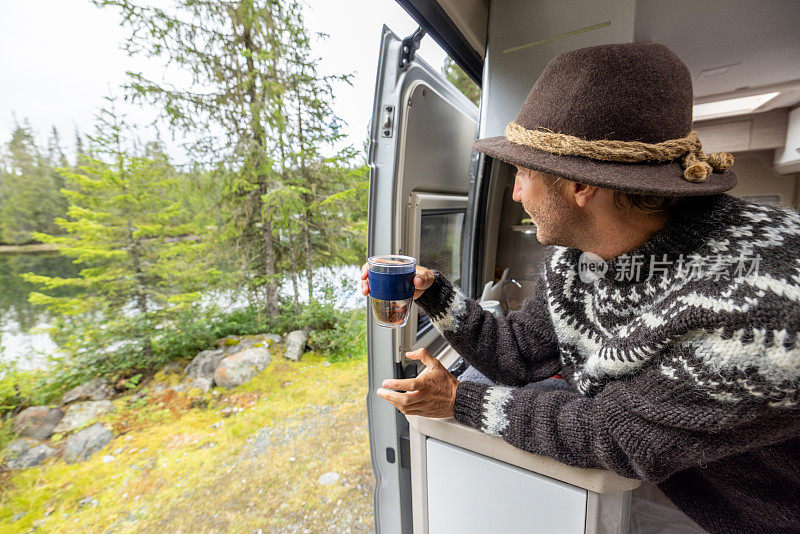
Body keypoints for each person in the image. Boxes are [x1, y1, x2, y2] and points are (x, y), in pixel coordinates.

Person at [360, 42, 800, 533]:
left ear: (580, 186)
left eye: (524, 172)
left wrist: (459, 401)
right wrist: (434, 295)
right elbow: (521, 354)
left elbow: (615, 433)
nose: (516, 191)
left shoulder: (759, 305)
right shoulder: (577, 260)